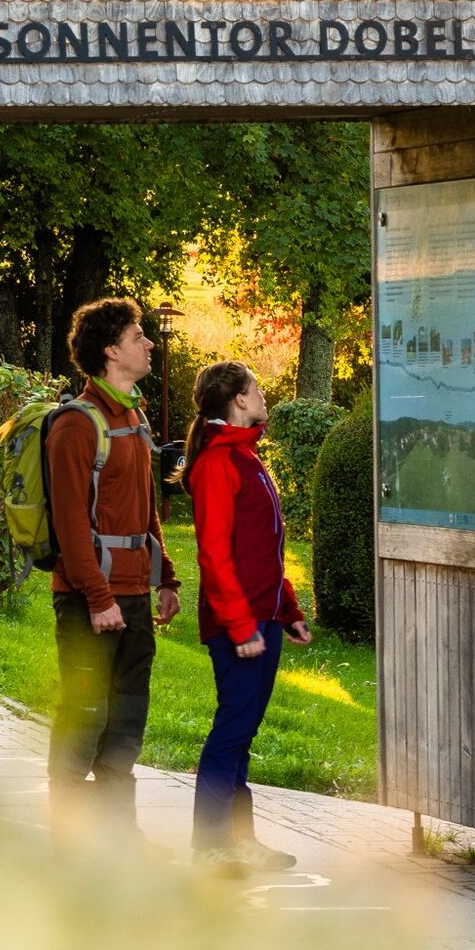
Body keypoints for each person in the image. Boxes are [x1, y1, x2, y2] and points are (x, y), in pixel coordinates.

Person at [46, 297, 181, 844]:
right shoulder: (77, 424)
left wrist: (165, 577)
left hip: (132, 595)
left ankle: (119, 836)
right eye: (137, 336)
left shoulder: (133, 416)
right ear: (110, 351)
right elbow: (70, 523)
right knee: (85, 716)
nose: (148, 344)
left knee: (126, 720)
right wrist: (99, 598)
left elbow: (144, 509)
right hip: (87, 599)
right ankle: (69, 839)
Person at [181, 361, 310, 874]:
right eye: (255, 388)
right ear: (238, 399)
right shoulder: (219, 462)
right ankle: (210, 846)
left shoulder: (248, 456)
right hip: (239, 624)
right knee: (231, 731)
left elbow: (264, 549)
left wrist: (288, 609)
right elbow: (214, 554)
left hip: (264, 617)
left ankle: (240, 841)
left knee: (242, 732)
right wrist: (239, 625)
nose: (262, 395)